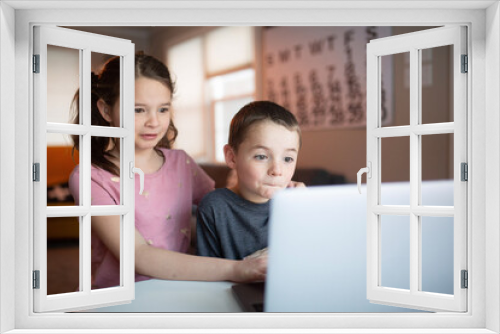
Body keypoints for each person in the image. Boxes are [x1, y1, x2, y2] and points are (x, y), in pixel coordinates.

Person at [68, 54, 266, 289]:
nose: (153, 122)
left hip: (181, 287)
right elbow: (138, 255)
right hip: (122, 298)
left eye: (163, 109)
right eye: (139, 110)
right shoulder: (91, 178)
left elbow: (224, 209)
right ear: (106, 110)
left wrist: (275, 194)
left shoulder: (181, 163)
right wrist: (238, 269)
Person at [196, 101, 303, 260]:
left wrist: (306, 211)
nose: (277, 170)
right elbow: (208, 270)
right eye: (261, 156)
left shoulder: (296, 202)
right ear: (232, 157)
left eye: (287, 159)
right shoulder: (214, 207)